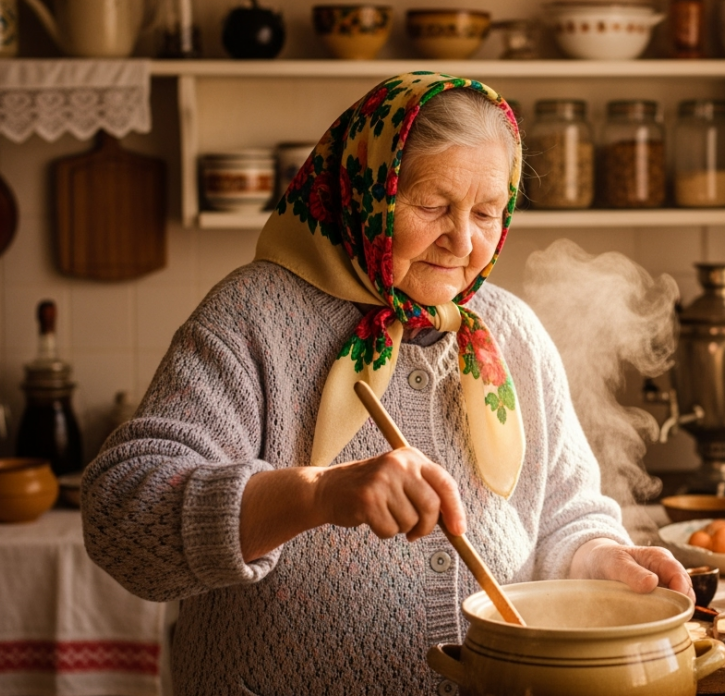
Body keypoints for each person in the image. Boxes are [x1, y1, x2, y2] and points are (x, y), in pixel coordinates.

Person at [82, 73, 692, 695]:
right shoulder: (252, 317)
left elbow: (565, 513)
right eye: (432, 206)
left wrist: (602, 558)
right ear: (365, 189)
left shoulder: (512, 333)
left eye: (486, 213)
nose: (464, 241)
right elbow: (122, 519)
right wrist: (317, 495)